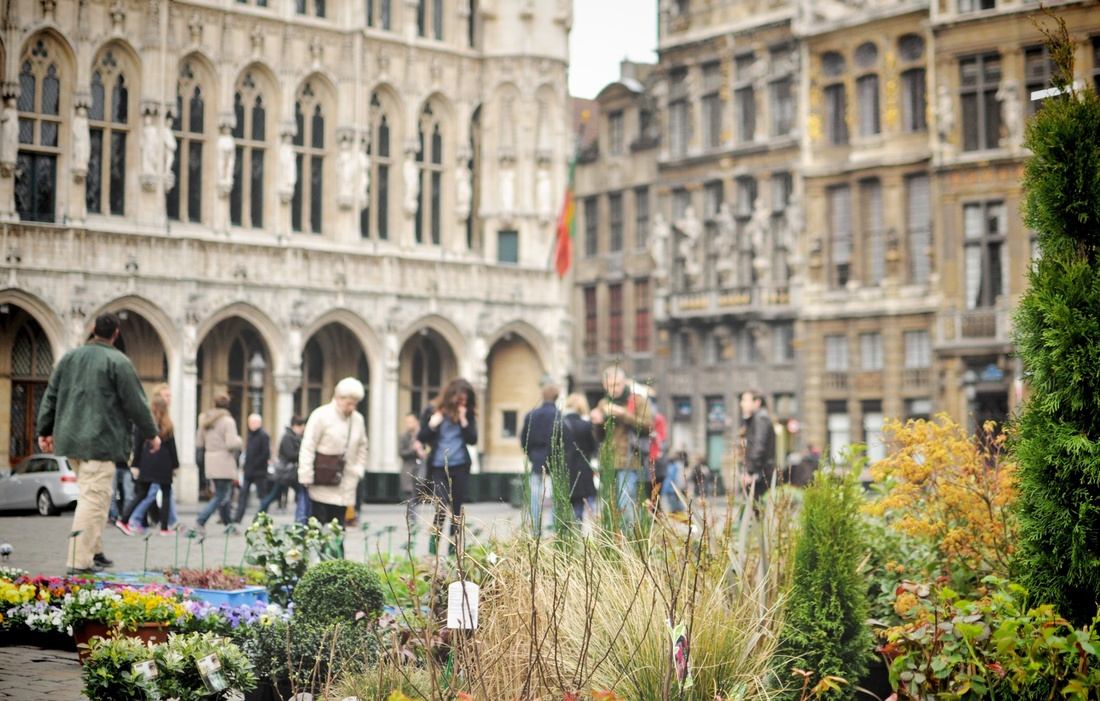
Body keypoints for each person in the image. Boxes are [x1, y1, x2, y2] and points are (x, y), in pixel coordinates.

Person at [35, 313, 159, 573]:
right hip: (100, 442)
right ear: (116, 333)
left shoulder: (69, 358)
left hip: (72, 440)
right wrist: (152, 433)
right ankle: (79, 561)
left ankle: (96, 550)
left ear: (93, 329)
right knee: (93, 498)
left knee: (98, 497)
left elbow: (51, 396)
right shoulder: (118, 361)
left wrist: (44, 431)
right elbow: (136, 403)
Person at [298, 378, 369, 545]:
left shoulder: (358, 419)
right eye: (348, 403)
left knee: (338, 528)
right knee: (316, 525)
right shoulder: (320, 415)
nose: (351, 408)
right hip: (321, 481)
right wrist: (306, 474)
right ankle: (316, 561)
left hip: (345, 482)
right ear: (338, 398)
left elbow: (362, 447)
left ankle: (335, 560)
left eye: (355, 404)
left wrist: (359, 469)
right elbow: (308, 445)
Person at [417, 378, 478, 556]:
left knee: (457, 510)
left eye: (466, 400)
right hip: (438, 467)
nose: (463, 403)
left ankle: (454, 552)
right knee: (441, 506)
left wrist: (464, 420)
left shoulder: (467, 414)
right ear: (452, 397)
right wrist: (432, 424)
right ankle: (433, 550)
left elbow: (473, 440)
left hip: (460, 466)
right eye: (460, 400)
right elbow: (422, 436)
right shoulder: (433, 411)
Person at [590, 367, 654, 526]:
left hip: (630, 461)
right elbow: (599, 437)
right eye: (610, 385)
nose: (614, 389)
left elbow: (648, 427)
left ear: (624, 383)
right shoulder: (603, 403)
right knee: (610, 507)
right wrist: (597, 424)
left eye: (617, 384)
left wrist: (623, 414)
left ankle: (629, 542)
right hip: (609, 462)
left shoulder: (637, 400)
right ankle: (616, 541)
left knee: (624, 504)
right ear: (604, 385)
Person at [117, 391, 180, 535]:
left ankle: (124, 519)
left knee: (141, 493)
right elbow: (172, 448)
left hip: (147, 462)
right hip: (164, 463)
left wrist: (135, 464)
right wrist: (175, 465)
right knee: (166, 494)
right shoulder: (168, 425)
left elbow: (137, 446)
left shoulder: (144, 424)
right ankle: (164, 528)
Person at [193, 393, 243, 535]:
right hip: (224, 461)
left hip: (210, 460)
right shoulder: (228, 421)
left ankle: (229, 524)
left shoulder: (204, 419)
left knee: (223, 494)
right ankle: (201, 520)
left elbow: (199, 442)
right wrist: (240, 440)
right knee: (221, 495)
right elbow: (231, 443)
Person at [520, 376, 561, 535]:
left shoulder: (532, 415)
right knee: (555, 498)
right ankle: (555, 531)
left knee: (535, 498)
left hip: (536, 460)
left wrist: (531, 454)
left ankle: (536, 531)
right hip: (555, 462)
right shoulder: (558, 415)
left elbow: (524, 439)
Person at [258, 416, 305, 520]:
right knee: (273, 495)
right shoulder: (288, 437)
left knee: (299, 494)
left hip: (289, 473)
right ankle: (259, 515)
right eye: (302, 426)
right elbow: (290, 454)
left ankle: (301, 518)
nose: (303, 429)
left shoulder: (293, 437)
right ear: (296, 426)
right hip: (286, 472)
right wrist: (302, 452)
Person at [561, 393, 598, 523]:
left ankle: (563, 534)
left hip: (564, 469)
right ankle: (577, 531)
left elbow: (552, 449)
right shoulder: (586, 425)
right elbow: (594, 448)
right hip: (582, 469)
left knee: (562, 503)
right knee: (579, 504)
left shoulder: (559, 425)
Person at [740, 389, 777, 501]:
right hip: (760, 473)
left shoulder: (761, 418)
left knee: (756, 510)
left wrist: (750, 472)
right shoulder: (757, 418)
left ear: (757, 402)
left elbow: (759, 447)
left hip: (760, 475)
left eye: (745, 400)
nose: (741, 404)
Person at [232, 414, 270, 523]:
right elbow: (249, 453)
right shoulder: (250, 435)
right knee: (243, 495)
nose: (251, 425)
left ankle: (262, 518)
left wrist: (255, 464)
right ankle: (238, 517)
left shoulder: (263, 435)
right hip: (249, 471)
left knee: (262, 496)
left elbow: (265, 453)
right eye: (250, 423)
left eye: (253, 423)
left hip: (259, 471)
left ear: (259, 423)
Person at [398, 413, 425, 521]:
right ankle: (412, 519)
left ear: (416, 422)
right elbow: (401, 453)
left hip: (420, 469)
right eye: (407, 422)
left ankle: (415, 517)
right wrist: (413, 449)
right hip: (408, 469)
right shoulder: (403, 437)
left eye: (411, 421)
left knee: (418, 494)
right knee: (409, 494)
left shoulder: (422, 436)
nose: (409, 424)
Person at [107, 458, 134, 526]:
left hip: (129, 467)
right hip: (112, 466)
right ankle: (114, 516)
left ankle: (126, 517)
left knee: (129, 496)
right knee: (111, 494)